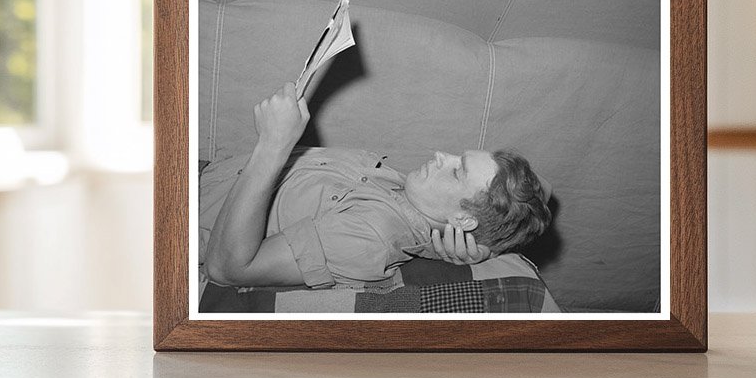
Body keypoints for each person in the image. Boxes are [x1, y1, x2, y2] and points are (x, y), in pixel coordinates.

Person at [201, 82, 552, 289]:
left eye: (457, 171)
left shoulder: (372, 235)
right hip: (206, 172)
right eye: (456, 156)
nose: (441, 155)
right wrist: (486, 246)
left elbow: (227, 269)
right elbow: (544, 193)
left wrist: (273, 145)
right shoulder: (408, 192)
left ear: (464, 219)